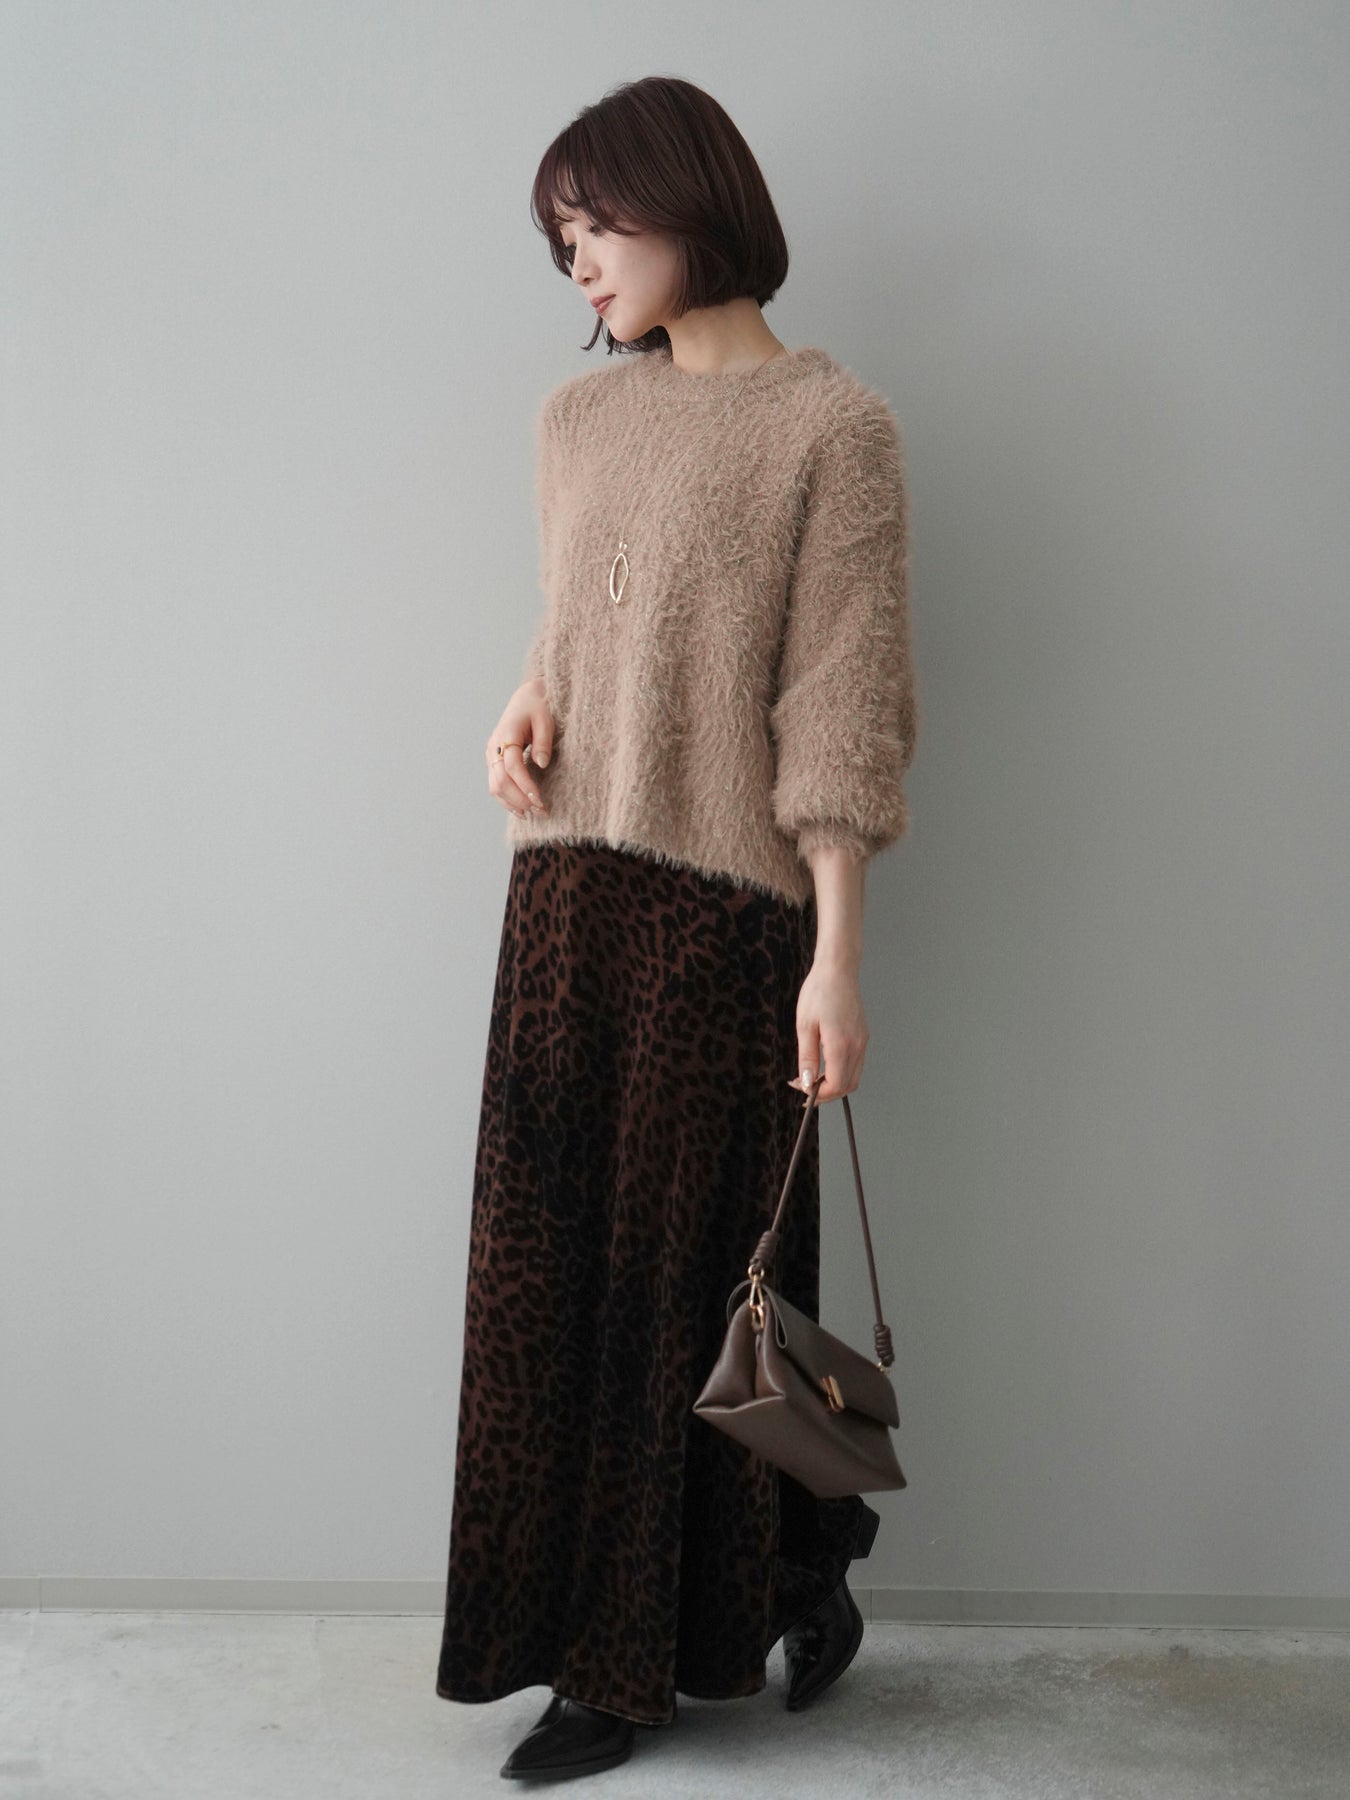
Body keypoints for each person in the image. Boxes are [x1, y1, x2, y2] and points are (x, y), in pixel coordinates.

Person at [436, 74, 919, 1784]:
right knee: (544, 1288)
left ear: (688, 202)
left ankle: (627, 1666)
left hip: (721, 923)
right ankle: (774, 1576)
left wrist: (834, 956)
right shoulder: (579, 421)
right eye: (558, 240)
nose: (576, 263)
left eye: (595, 225)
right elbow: (581, 620)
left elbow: (840, 709)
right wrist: (524, 701)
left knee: (684, 1297)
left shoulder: (832, 427)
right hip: (561, 898)